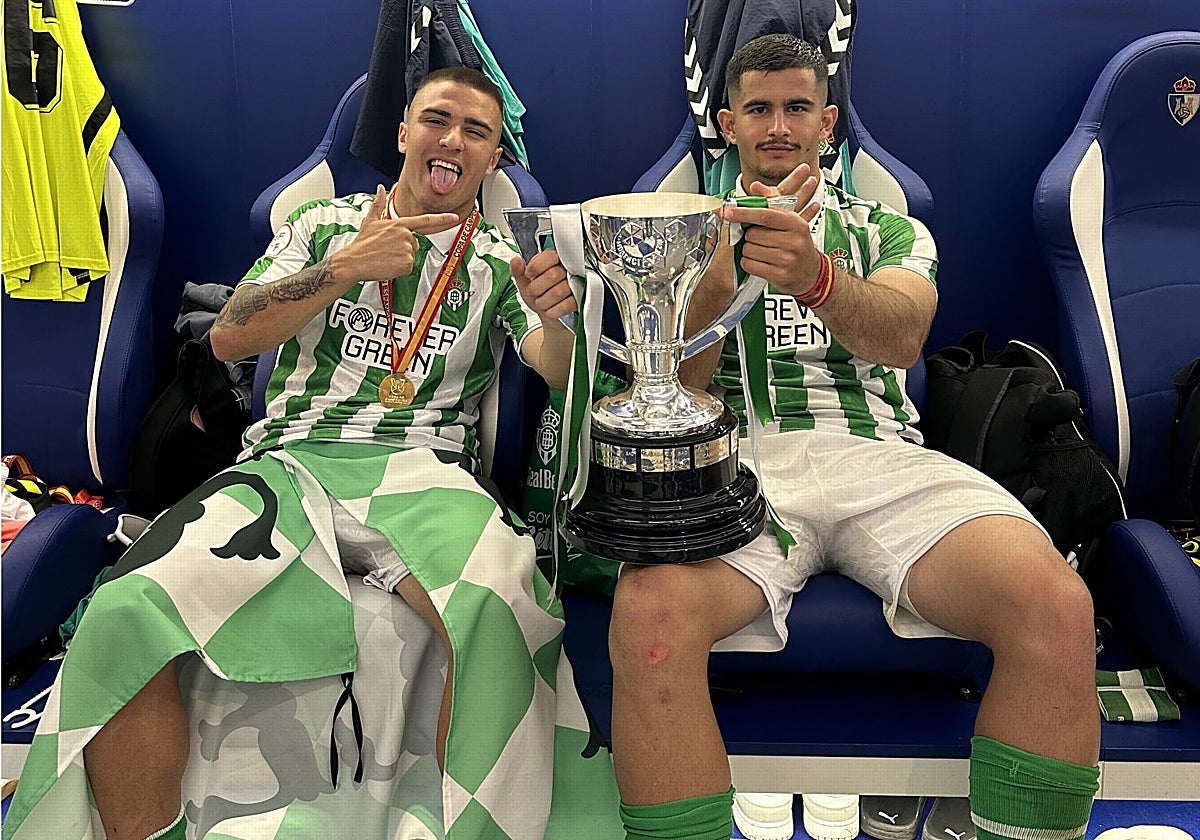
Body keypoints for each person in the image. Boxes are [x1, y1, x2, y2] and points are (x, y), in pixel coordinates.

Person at [4, 66, 621, 840]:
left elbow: (554, 369)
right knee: (128, 609)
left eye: (477, 132)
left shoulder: (499, 260)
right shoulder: (322, 225)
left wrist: (559, 319)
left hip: (424, 471)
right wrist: (344, 271)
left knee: (503, 607)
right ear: (403, 134)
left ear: (492, 160)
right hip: (291, 461)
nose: (453, 140)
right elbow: (230, 335)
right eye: (438, 119)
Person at [605, 35, 1100, 840]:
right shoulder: (672, 235)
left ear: (825, 122)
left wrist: (818, 278)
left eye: (797, 107)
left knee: (1055, 605)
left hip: (876, 453)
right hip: (739, 460)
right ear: (727, 124)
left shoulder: (888, 229)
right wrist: (715, 283)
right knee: (648, 618)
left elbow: (903, 337)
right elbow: (677, 392)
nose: (778, 127)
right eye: (758, 109)